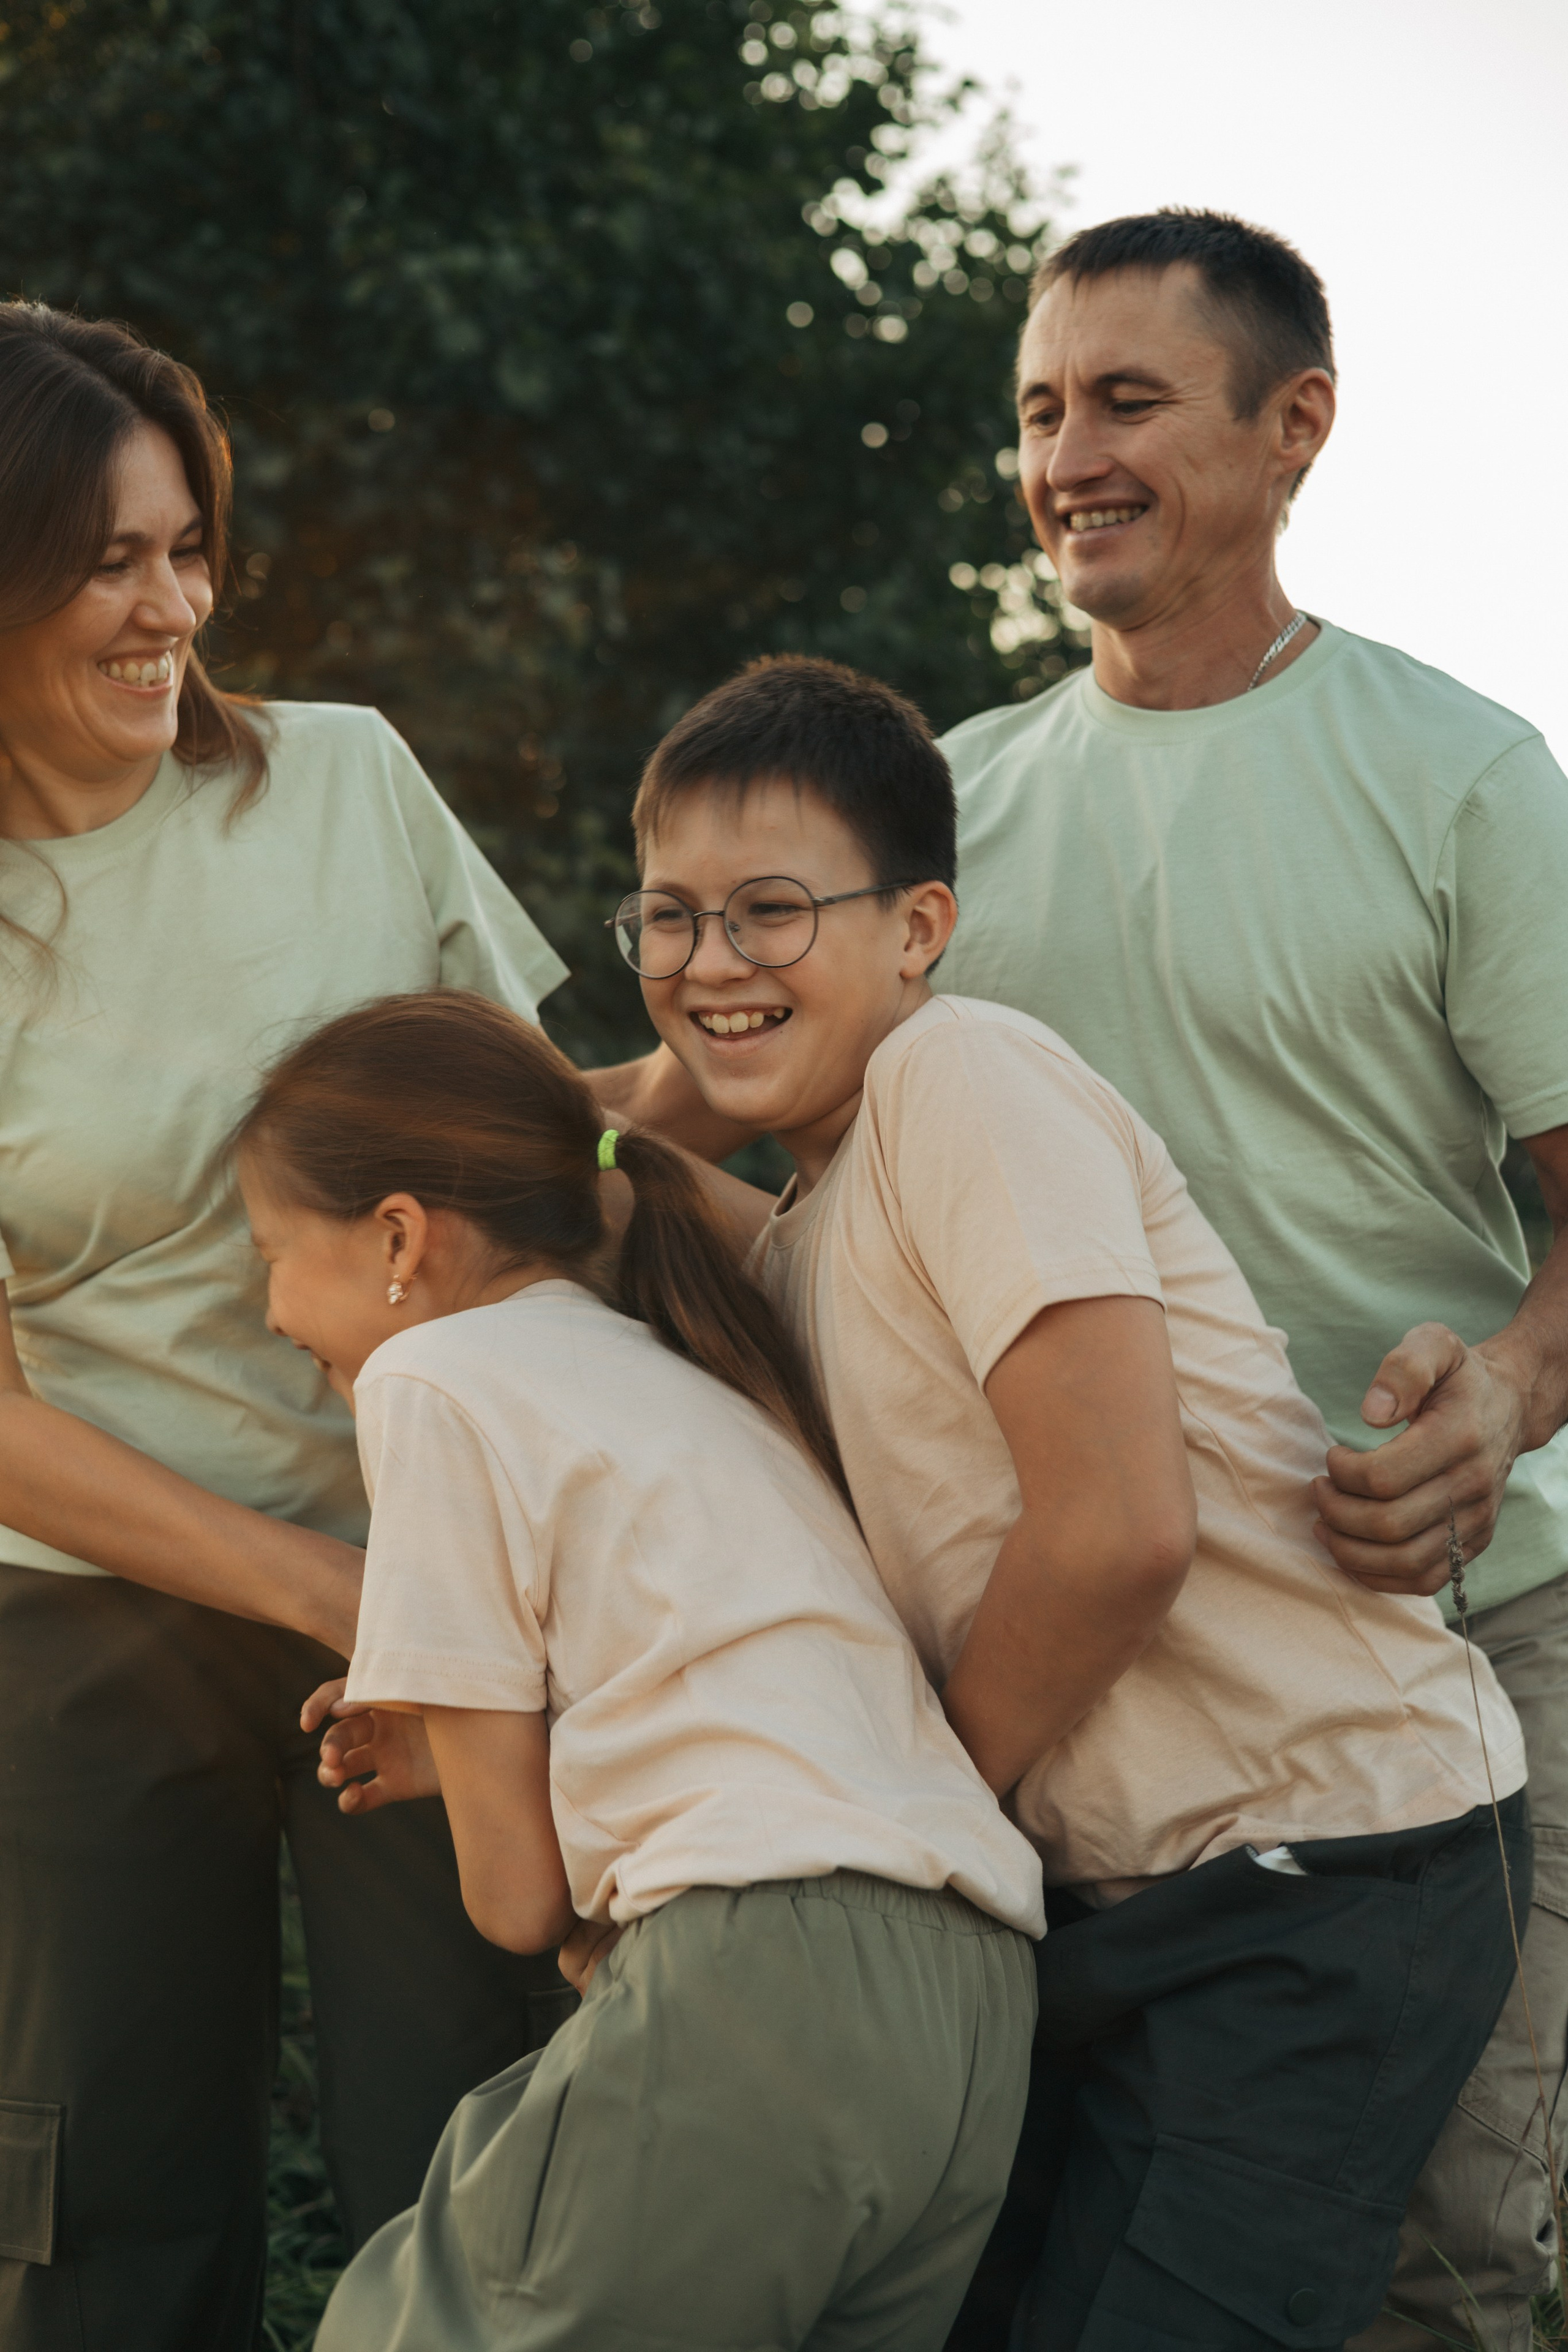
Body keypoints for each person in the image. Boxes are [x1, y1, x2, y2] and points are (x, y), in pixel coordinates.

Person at [615, 649, 1532, 2352]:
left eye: (769, 912)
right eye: (666, 918)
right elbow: (626, 1176)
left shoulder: (966, 1080)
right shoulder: (823, 1202)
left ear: (921, 928)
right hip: (1133, 1881)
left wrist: (920, 1820)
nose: (710, 963)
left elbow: (1118, 1531)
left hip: (1320, 1856)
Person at [929, 208, 1568, 2352]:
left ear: (1295, 428)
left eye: (1128, 400)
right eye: (1038, 410)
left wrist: (1501, 1395)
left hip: (1456, 1641)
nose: (1068, 455)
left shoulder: (1467, 774)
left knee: (1442, 2257)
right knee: (1057, 2240)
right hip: (1084, 1657)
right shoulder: (942, 809)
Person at [0, 303, 580, 2351]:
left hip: (444, 1568)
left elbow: (551, 1158)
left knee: (476, 2155)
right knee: (105, 2207)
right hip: (79, 1608)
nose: (172, 607)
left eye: (191, 547)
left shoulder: (346, 779)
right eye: (107, 560)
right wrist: (332, 1590)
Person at [214, 986, 1044, 2352]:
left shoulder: (430, 1378)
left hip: (758, 1983)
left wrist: (494, 1787)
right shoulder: (691, 1366)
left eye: (270, 1253)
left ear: (399, 1237)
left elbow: (517, 1899)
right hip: (969, 2007)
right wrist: (486, 1744)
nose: (268, 1304)